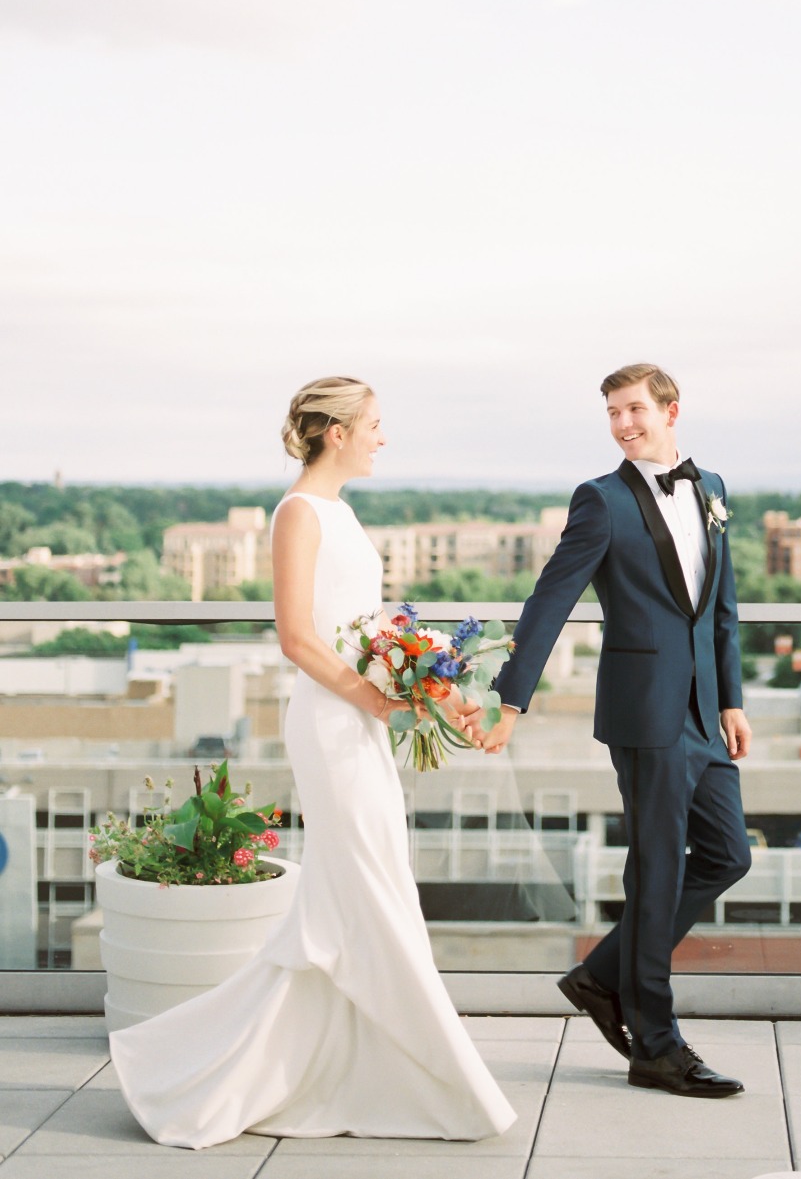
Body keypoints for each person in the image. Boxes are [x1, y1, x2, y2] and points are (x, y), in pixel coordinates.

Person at [111, 376, 516, 1147]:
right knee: (369, 890)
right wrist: (374, 699)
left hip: (359, 717)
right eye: (374, 424)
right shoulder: (297, 512)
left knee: (355, 895)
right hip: (332, 724)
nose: (382, 437)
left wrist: (434, 687)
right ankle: (441, 1078)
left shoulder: (342, 510)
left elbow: (371, 628)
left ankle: (319, 1065)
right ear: (336, 431)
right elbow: (297, 637)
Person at [483, 362, 752, 1097]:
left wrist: (731, 697)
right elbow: (550, 599)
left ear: (670, 409)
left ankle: (601, 977)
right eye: (611, 412)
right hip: (645, 712)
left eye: (634, 408)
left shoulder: (714, 490)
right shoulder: (600, 500)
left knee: (729, 854)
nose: (623, 423)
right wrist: (511, 702)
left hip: (704, 712)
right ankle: (656, 1044)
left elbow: (721, 604)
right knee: (658, 870)